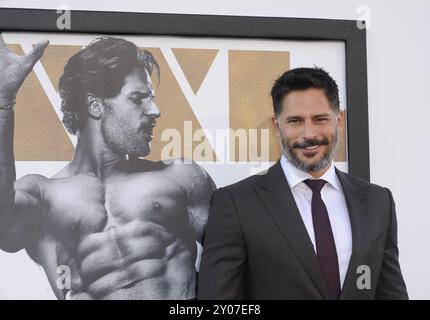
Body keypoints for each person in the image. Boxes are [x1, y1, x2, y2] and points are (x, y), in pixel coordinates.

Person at [0, 35, 215, 300]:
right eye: (138, 98)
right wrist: (3, 102)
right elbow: (4, 226)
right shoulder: (43, 197)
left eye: (151, 98)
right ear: (95, 106)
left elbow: (238, 259)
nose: (155, 110)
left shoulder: (180, 176)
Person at [198, 67, 408, 299]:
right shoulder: (236, 203)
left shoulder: (378, 201)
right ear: (277, 126)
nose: (309, 133)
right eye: (295, 121)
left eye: (320, 119)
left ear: (339, 121)